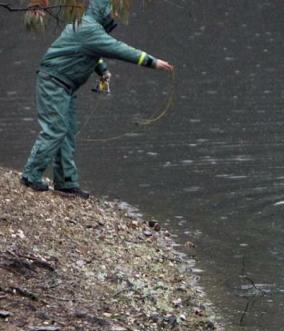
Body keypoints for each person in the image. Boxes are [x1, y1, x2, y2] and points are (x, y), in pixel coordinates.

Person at [20, 0, 174, 199]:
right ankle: (30, 175)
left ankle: (67, 183)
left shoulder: (82, 25)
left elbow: (89, 51)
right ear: (102, 11)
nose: (113, 17)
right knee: (56, 130)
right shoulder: (90, 30)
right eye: (110, 13)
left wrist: (101, 70)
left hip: (63, 85)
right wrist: (153, 62)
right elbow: (119, 49)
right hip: (53, 82)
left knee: (66, 133)